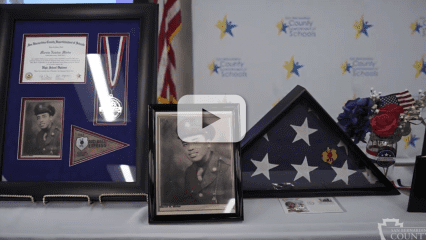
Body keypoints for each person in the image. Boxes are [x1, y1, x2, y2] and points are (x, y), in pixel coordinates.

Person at [177, 119, 234, 205]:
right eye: (185, 144)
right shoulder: (189, 172)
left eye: (195, 141)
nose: (190, 148)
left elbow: (231, 207)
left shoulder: (228, 168)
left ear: (208, 142)